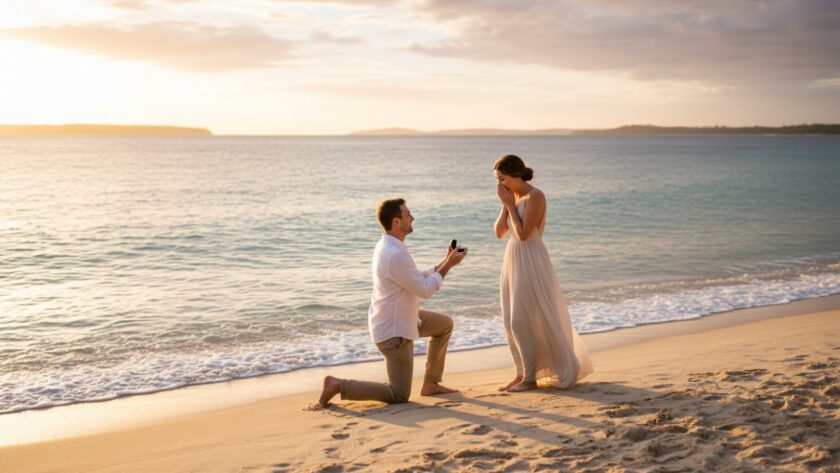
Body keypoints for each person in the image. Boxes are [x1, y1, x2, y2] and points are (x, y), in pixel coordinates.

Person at [319, 198, 467, 406]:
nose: (412, 217)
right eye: (408, 214)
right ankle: (337, 385)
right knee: (398, 394)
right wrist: (449, 265)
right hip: (394, 331)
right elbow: (424, 290)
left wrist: (446, 260)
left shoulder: (389, 246)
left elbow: (415, 277)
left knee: (444, 325)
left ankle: (431, 383)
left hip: (405, 317)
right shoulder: (394, 254)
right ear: (396, 222)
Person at [493, 155, 593, 392]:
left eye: (502, 178)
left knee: (521, 320)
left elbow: (525, 233)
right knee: (510, 319)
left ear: (515, 175)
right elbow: (499, 232)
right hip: (513, 259)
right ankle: (521, 373)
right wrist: (505, 203)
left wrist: (509, 205)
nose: (499, 184)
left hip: (531, 258)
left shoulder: (535, 196)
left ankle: (530, 378)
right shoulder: (513, 198)